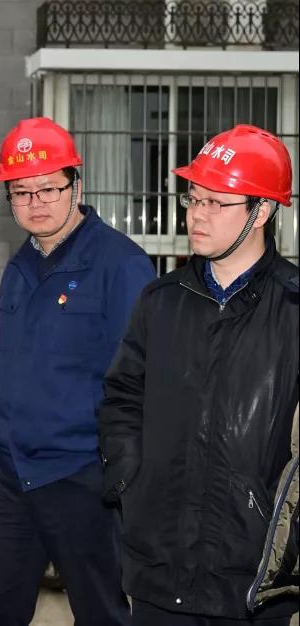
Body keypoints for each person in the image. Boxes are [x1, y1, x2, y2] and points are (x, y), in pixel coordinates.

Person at [99, 124, 299, 625]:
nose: (197, 214)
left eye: (216, 202)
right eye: (193, 198)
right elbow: (121, 398)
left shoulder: (294, 309)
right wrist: (131, 481)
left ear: (261, 211)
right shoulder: (160, 301)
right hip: (158, 569)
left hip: (253, 579)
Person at [0, 117, 155, 626]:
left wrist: (115, 465)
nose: (36, 202)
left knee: (102, 612)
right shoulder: (19, 266)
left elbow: (140, 379)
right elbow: (5, 361)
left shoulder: (121, 265)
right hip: (10, 472)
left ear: (77, 185)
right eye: (22, 192)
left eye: (49, 188)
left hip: (81, 474)